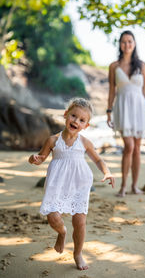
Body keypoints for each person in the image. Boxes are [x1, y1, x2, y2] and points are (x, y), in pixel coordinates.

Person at [28, 98, 115, 271]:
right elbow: (41, 158)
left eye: (82, 120)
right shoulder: (53, 141)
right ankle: (62, 233)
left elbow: (98, 159)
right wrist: (34, 159)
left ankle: (78, 254)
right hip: (56, 184)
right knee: (52, 217)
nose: (76, 121)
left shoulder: (84, 143)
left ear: (86, 125)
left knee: (80, 222)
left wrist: (107, 172)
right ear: (66, 115)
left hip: (79, 184)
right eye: (74, 116)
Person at [107, 30, 145, 197]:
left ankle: (134, 187)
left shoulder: (142, 65)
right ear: (120, 45)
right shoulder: (114, 66)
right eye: (124, 42)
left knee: (137, 148)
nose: (127, 44)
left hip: (139, 109)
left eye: (130, 41)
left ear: (134, 43)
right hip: (122, 108)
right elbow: (111, 91)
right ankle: (123, 187)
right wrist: (108, 111)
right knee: (128, 146)